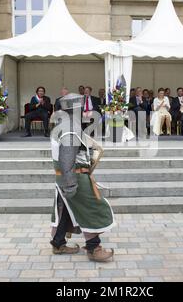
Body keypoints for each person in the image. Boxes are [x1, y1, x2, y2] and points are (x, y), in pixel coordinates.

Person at [50, 93, 115, 262]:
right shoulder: (69, 129)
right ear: (76, 110)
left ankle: (58, 244)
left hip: (65, 177)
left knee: (64, 211)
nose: (87, 112)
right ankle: (94, 248)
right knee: (91, 208)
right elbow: (66, 159)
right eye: (83, 109)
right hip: (74, 177)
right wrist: (70, 184)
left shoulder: (67, 125)